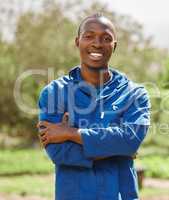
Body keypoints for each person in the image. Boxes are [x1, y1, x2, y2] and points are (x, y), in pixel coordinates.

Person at [37, 13, 150, 200]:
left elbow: (130, 141)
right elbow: (58, 152)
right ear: (77, 41)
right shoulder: (54, 93)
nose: (97, 43)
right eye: (89, 36)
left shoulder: (134, 94)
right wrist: (116, 148)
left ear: (115, 46)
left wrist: (71, 133)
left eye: (106, 38)